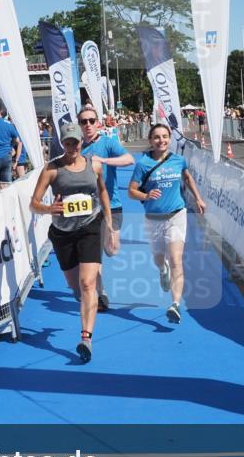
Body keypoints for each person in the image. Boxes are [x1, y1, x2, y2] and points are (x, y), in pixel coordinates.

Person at [30, 122, 113, 363]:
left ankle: (86, 337)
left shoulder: (94, 164)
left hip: (90, 227)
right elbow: (32, 204)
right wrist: (49, 208)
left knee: (88, 283)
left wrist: (108, 221)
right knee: (76, 287)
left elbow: (102, 191)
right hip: (62, 232)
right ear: (62, 143)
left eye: (75, 142)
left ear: (81, 142)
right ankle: (83, 298)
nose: (71, 146)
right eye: (67, 142)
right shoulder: (52, 169)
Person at [128, 124, 206, 324]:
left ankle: (175, 304)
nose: (161, 140)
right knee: (159, 258)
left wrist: (198, 198)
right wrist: (146, 195)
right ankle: (162, 270)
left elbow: (188, 178)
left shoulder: (178, 160)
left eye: (164, 136)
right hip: (153, 218)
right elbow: (131, 191)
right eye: (156, 137)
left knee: (176, 259)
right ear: (150, 140)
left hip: (177, 214)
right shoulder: (143, 164)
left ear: (170, 138)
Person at [78, 106, 135, 311]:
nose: (88, 125)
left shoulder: (108, 143)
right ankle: (101, 296)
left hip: (113, 205)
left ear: (98, 123)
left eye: (91, 121)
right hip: (89, 210)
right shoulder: (77, 148)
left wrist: (103, 160)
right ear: (79, 125)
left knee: (112, 250)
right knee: (95, 257)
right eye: (84, 122)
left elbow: (129, 159)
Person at [0, 101, 22, 185]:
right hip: (6, 156)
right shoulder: (8, 124)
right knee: (6, 185)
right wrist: (16, 159)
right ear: (1, 110)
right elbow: (18, 141)